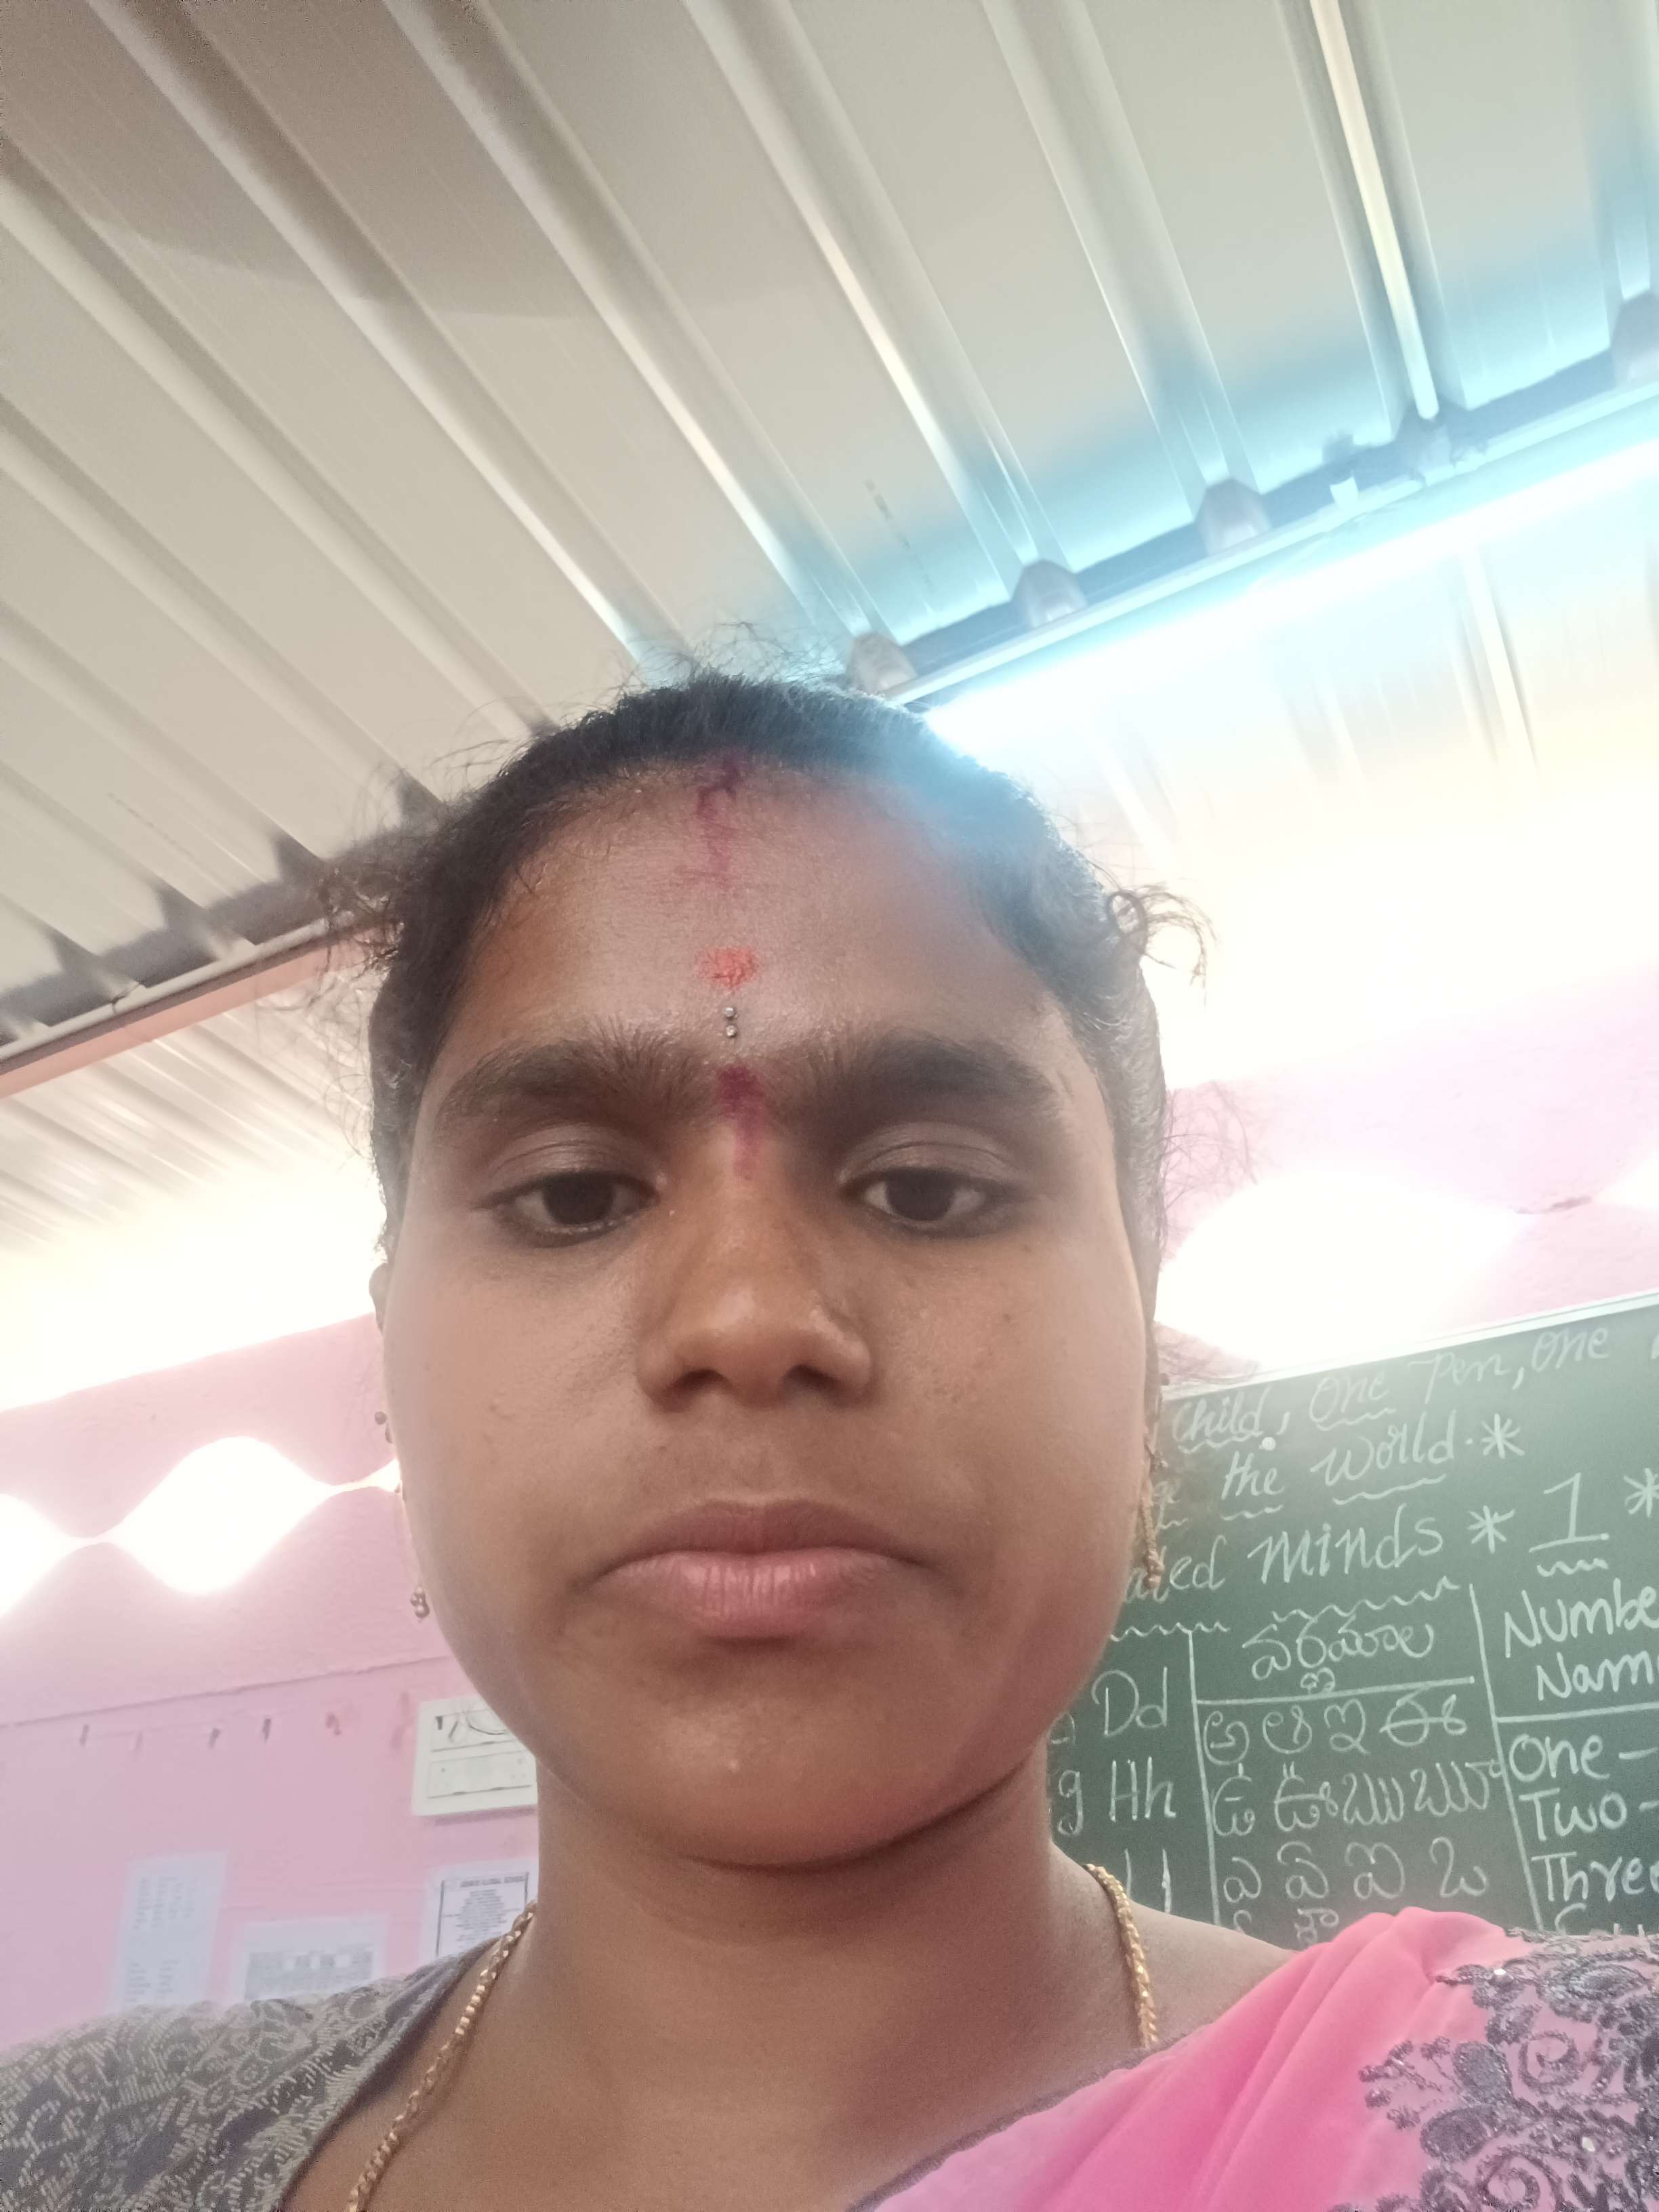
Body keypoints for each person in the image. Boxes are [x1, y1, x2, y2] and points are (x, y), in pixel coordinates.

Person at [3, 674, 1654, 2212]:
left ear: (1143, 1346)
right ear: (395, 1356)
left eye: (926, 1189)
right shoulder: (79, 2158)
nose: (746, 1317)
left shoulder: (1593, 2115)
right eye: (572, 1197)